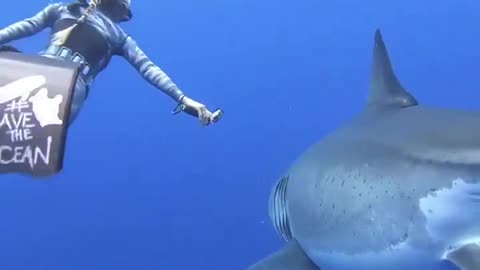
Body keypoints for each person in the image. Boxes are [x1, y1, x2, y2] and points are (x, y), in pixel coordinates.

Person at [0, 0, 216, 125]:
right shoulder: (62, 9)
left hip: (70, 81)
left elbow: (147, 67)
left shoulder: (119, 37)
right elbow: (26, 26)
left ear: (125, 14)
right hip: (39, 66)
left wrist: (181, 97)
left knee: (32, 120)